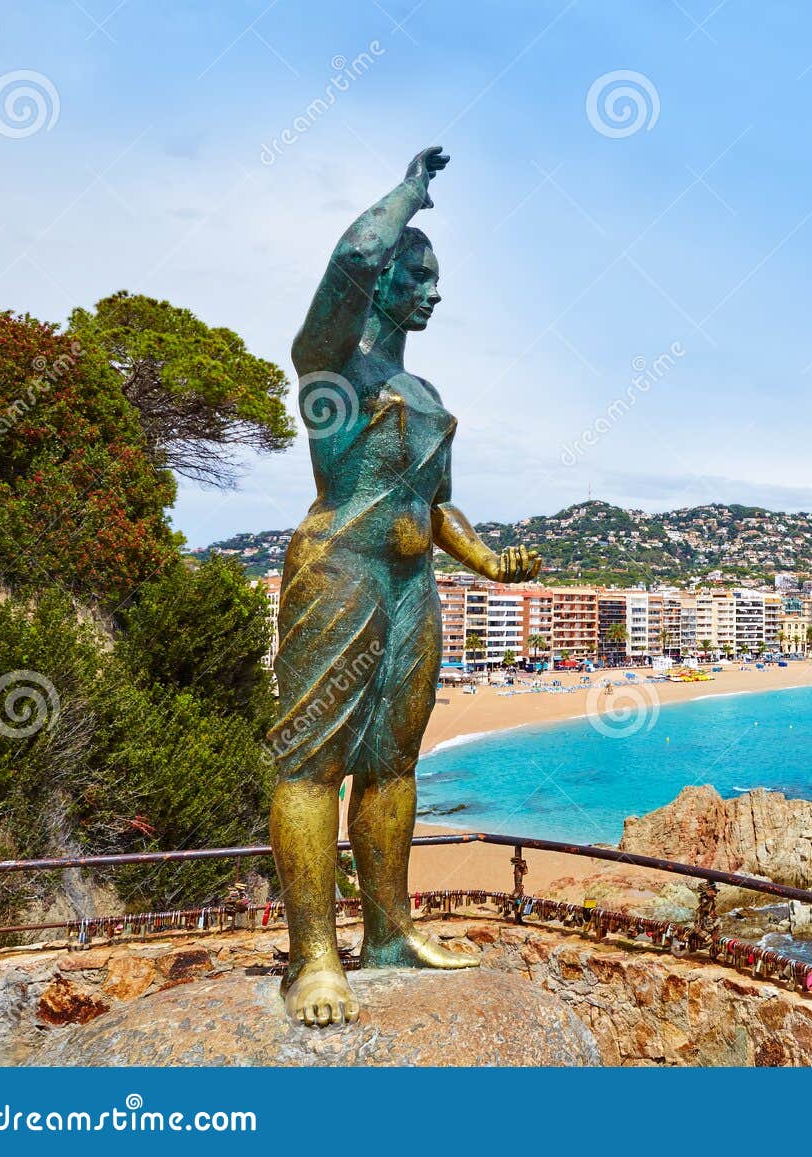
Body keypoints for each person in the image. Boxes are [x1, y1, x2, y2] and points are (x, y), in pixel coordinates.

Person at [266, 147, 541, 1027]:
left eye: (435, 276)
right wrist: (409, 195)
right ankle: (316, 955)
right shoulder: (332, 367)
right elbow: (348, 260)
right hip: (340, 569)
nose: (433, 291)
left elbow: (439, 504)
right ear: (383, 278)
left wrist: (491, 563)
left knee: (392, 764)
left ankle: (386, 934)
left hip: (412, 583)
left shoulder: (422, 389)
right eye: (418, 274)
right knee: (313, 761)